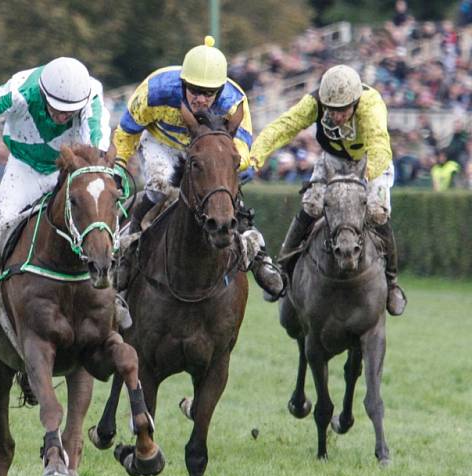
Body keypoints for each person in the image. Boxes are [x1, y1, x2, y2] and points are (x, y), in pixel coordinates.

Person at [0, 57, 111, 335]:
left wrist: (99, 165)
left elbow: (98, 134)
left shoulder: (90, 93)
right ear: (44, 95)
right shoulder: (20, 91)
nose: (62, 117)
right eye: (56, 110)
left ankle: (114, 293)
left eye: (69, 112)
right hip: (26, 168)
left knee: (99, 220)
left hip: (71, 169)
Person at [111, 36, 285, 298]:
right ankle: (130, 241)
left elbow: (241, 149)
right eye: (194, 90)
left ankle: (260, 257)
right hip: (162, 143)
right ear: (183, 83)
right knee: (160, 187)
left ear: (219, 90)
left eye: (208, 93)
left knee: (221, 187)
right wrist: (120, 164)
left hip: (209, 149)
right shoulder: (155, 91)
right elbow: (126, 133)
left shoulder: (233, 102)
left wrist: (226, 166)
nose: (201, 99)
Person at [249, 64, 407, 315]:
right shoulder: (314, 102)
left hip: (369, 161)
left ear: (355, 103)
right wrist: (256, 154)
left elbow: (379, 145)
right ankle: (282, 269)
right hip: (333, 158)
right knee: (312, 204)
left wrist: (361, 178)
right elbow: (284, 126)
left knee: (377, 212)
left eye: (343, 110)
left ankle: (392, 282)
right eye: (332, 111)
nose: (336, 116)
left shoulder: (371, 104)